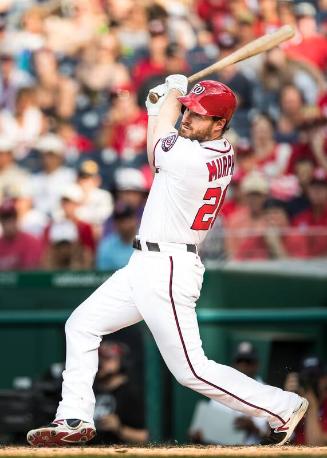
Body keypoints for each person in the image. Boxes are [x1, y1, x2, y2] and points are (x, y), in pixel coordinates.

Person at [27, 75, 308, 447]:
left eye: (200, 114)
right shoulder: (218, 151)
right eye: (189, 110)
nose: (189, 117)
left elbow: (158, 147)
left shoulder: (193, 159)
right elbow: (158, 144)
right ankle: (75, 416)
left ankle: (283, 406)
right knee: (81, 325)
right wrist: (160, 108)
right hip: (145, 264)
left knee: (192, 370)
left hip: (169, 267)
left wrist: (170, 95)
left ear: (220, 124)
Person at [93, 340, 148, 444]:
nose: (101, 363)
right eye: (100, 358)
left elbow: (147, 436)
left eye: (108, 358)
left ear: (122, 361)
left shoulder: (131, 393)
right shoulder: (90, 389)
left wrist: (119, 429)